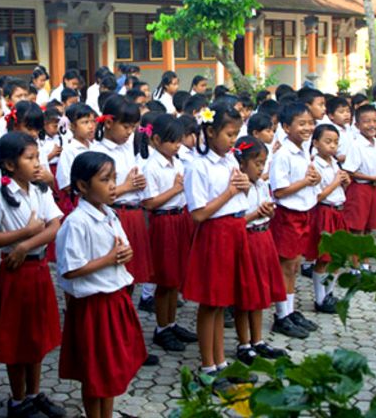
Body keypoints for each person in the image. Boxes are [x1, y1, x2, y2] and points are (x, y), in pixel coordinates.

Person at [0, 132, 65, 418]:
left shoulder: (40, 189)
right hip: (14, 274)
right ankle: (17, 400)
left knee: (36, 336)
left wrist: (27, 243)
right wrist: (25, 233)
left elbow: (54, 224)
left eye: (37, 157)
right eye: (29, 158)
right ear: (9, 164)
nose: (36, 163)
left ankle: (34, 393)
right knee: (16, 339)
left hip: (37, 268)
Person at [56, 151, 147, 418]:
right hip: (93, 306)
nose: (112, 186)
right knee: (94, 373)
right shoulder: (76, 223)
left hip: (115, 299)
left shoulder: (109, 214)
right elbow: (70, 270)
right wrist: (109, 259)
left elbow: (120, 248)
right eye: (105, 179)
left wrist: (123, 255)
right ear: (83, 186)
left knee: (110, 370)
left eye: (114, 178)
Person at [182, 103, 257, 391]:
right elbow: (198, 213)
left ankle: (221, 362)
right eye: (229, 134)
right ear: (210, 131)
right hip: (215, 234)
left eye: (237, 134)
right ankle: (207, 366)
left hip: (235, 230)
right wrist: (231, 191)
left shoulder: (229, 160)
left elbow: (240, 195)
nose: (233, 140)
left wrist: (245, 185)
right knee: (210, 302)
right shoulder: (198, 166)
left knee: (224, 299)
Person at [139, 114, 198, 353]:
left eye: (179, 141)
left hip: (179, 219)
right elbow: (150, 203)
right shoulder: (151, 166)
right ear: (155, 140)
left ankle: (172, 323)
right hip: (163, 223)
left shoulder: (177, 161)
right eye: (172, 141)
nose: (177, 146)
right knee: (165, 280)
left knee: (176, 278)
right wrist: (175, 189)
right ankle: (162, 328)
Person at [233, 136, 288, 364]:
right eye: (257, 163)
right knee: (245, 294)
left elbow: (268, 208)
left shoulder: (262, 184)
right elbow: (236, 219)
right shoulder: (237, 187)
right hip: (246, 240)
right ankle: (244, 343)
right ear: (242, 164)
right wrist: (257, 214)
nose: (261, 168)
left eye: (263, 163)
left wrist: (269, 212)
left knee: (260, 292)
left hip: (263, 238)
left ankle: (258, 340)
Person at [268, 102, 320, 339]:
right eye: (302, 124)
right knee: (286, 266)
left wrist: (313, 178)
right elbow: (279, 190)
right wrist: (306, 182)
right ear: (286, 127)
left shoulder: (304, 149)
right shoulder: (283, 154)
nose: (307, 128)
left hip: (304, 212)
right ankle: (281, 315)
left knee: (295, 265)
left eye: (310, 123)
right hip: (288, 215)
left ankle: (290, 310)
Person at [90, 96, 153, 291]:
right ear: (108, 123)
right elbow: (94, 194)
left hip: (133, 214)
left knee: (131, 277)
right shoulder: (97, 151)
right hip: (112, 214)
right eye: (125, 127)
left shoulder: (128, 147)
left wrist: (140, 183)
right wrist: (126, 187)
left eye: (133, 127)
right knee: (113, 276)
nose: (129, 132)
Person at [309, 124, 348, 312]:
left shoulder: (334, 162)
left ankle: (330, 293)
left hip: (338, 211)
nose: (332, 146)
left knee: (336, 257)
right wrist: (335, 183)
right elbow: (317, 196)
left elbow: (340, 190)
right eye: (328, 141)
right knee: (323, 258)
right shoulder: (314, 165)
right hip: (324, 212)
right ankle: (320, 298)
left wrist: (344, 183)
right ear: (315, 143)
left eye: (335, 142)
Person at [341, 104, 376, 241]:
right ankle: (355, 261)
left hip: (372, 188)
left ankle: (364, 261)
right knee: (357, 227)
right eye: (366, 122)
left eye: (375, 121)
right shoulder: (356, 145)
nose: (372, 125)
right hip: (359, 189)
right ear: (357, 125)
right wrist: (371, 177)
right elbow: (349, 171)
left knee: (368, 226)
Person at [54, 103, 96, 216]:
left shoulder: (95, 146)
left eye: (93, 121)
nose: (91, 126)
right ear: (72, 126)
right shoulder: (69, 150)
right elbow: (66, 184)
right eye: (85, 122)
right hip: (80, 201)